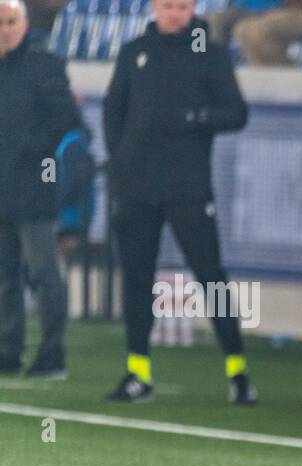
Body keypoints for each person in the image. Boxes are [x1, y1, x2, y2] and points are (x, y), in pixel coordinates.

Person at [103, 0, 253, 403]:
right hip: (136, 188)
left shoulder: (212, 54)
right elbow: (113, 110)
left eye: (183, 6)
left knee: (211, 275)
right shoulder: (134, 51)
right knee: (137, 277)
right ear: (154, 7)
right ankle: (138, 372)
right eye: (169, 6)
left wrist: (194, 118)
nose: (176, 13)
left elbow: (237, 113)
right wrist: (120, 163)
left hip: (188, 187)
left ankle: (238, 372)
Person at [0, 0, 83, 378]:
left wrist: (28, 148)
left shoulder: (45, 66)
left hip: (34, 185)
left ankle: (53, 355)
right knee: (4, 276)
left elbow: (67, 119)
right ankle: (7, 351)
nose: (5, 29)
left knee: (42, 272)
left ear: (25, 23)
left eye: (11, 21)